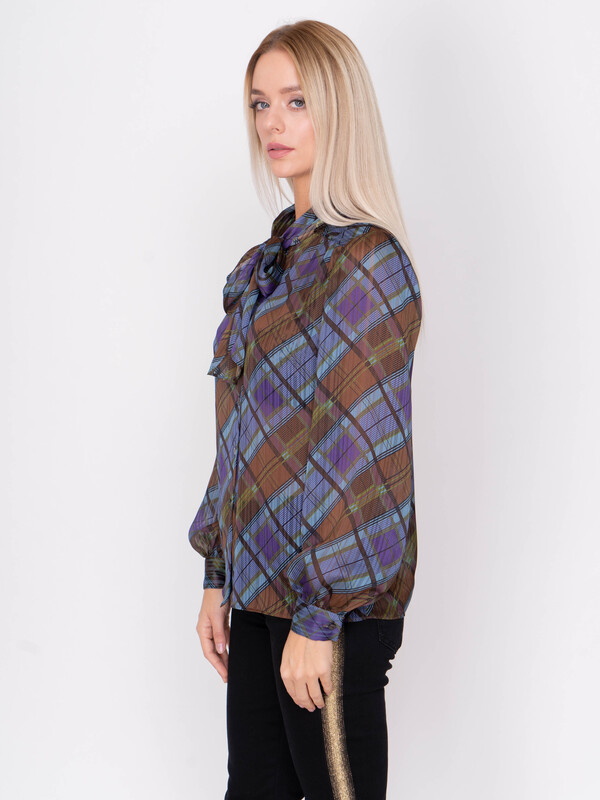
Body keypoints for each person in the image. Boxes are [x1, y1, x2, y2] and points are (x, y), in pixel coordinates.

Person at [188, 19, 423, 800]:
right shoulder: (267, 266)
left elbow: (359, 453)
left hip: (328, 613)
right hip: (258, 591)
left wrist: (319, 619)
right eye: (261, 104)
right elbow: (239, 432)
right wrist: (218, 575)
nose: (273, 124)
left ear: (338, 110)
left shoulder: (366, 263)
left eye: (296, 101)